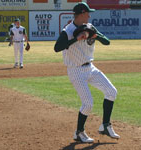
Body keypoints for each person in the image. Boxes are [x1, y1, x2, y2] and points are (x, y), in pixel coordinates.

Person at [54, 2, 120, 143]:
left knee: (111, 91)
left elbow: (107, 41)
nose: (90, 15)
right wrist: (75, 39)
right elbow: (57, 47)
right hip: (75, 70)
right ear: (82, 13)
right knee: (88, 103)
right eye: (88, 13)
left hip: (90, 68)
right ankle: (79, 132)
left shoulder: (90, 27)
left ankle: (105, 125)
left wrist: (95, 35)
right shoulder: (68, 30)